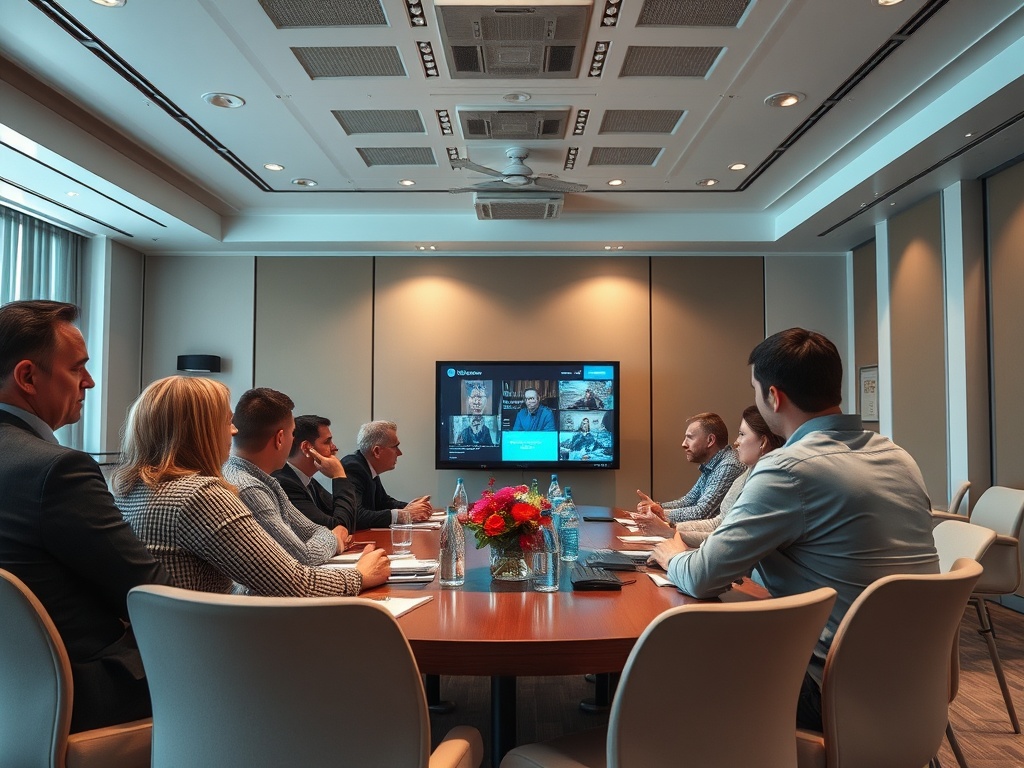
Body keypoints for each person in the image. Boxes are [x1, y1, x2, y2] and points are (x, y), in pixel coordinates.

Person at [649, 328, 939, 731]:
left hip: (827, 689)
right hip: (917, 685)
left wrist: (671, 553)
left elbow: (702, 578)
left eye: (755, 389)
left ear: (774, 396)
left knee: (669, 663)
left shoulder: (788, 469)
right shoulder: (899, 457)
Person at [0, 300, 170, 731]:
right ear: (27, 376)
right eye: (78, 368)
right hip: (74, 697)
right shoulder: (56, 469)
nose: (90, 382)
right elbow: (152, 596)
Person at [113, 376, 390, 596]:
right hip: (215, 649)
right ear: (200, 431)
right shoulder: (200, 495)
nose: (234, 432)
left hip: (171, 650)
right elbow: (292, 583)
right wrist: (359, 575)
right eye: (226, 421)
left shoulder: (127, 491)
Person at [223, 389, 348, 565]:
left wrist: (327, 536)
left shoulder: (266, 481)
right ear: (280, 438)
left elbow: (314, 530)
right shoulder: (248, 488)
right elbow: (303, 558)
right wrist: (334, 540)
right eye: (292, 433)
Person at [637, 405, 784, 544]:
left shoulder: (732, 466)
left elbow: (708, 517)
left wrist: (668, 528)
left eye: (741, 434)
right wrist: (660, 511)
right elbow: (712, 517)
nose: (736, 442)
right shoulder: (745, 474)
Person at [635, 412, 745, 523]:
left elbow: (702, 513)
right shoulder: (713, 464)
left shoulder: (728, 465)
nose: (683, 444)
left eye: (690, 438)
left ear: (710, 440)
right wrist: (656, 506)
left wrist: (660, 513)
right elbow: (688, 501)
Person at [340, 420, 432, 529]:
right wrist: (403, 515)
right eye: (395, 447)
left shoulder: (367, 466)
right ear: (377, 451)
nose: (400, 453)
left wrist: (409, 507)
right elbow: (356, 515)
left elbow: (383, 502)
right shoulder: (353, 467)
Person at [273, 414, 357, 532]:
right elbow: (339, 528)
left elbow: (350, 516)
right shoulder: (285, 484)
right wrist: (339, 476)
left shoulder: (307, 480)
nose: (334, 448)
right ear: (307, 448)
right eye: (327, 442)